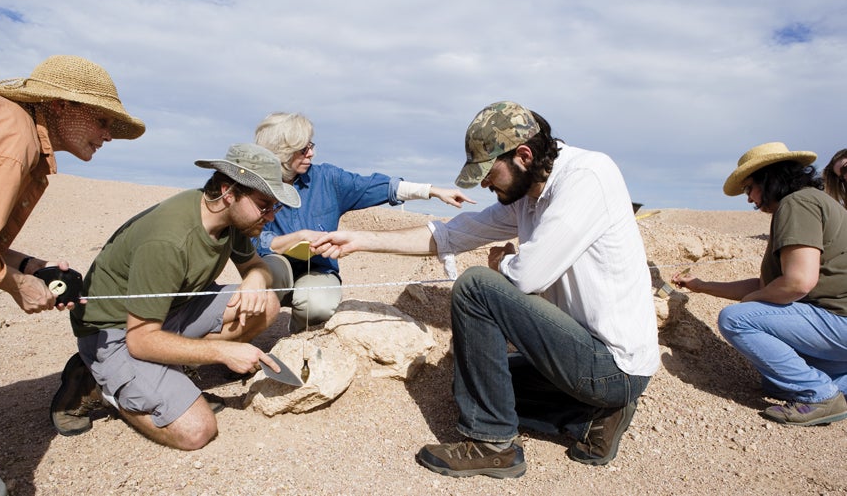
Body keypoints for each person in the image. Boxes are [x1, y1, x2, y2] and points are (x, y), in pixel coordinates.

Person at [312, 101, 658, 477]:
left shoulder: (587, 177)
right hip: (583, 354)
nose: (484, 183)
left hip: (612, 366)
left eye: (489, 172)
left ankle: (493, 445)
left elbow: (528, 276)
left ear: (523, 156)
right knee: (471, 387)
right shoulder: (528, 196)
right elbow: (452, 234)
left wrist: (501, 263)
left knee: (477, 286)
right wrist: (360, 240)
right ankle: (593, 418)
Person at [0, 55, 144, 496]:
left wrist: (29, 266)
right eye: (102, 120)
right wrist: (16, 285)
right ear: (60, 106)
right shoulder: (11, 138)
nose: (108, 136)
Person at [50, 143, 299, 450]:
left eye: (275, 206)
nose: (271, 217)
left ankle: (170, 374)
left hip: (168, 312)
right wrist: (224, 353)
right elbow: (140, 340)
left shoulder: (230, 219)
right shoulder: (169, 241)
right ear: (228, 192)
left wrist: (256, 279)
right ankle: (98, 385)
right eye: (264, 205)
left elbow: (257, 266)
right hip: (115, 332)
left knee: (266, 303)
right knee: (197, 431)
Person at [673, 142, 847, 426]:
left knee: (737, 320)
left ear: (770, 178)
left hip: (839, 322)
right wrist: (701, 285)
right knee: (774, 379)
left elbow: (798, 283)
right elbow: (768, 285)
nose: (750, 199)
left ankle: (820, 395)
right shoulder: (808, 202)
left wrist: (750, 303)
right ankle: (834, 384)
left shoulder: (797, 204)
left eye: (749, 188)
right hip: (836, 327)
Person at [253, 112, 475, 331]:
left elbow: (375, 186)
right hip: (273, 266)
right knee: (262, 282)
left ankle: (296, 341)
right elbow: (243, 239)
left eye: (311, 145)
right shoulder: (252, 186)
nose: (311, 153)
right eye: (303, 149)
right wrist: (286, 241)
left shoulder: (327, 178)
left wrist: (432, 191)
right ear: (281, 152)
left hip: (319, 269)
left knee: (317, 304)